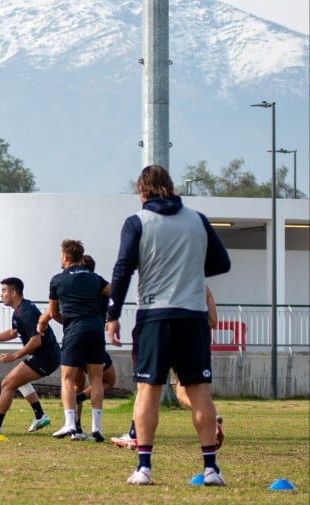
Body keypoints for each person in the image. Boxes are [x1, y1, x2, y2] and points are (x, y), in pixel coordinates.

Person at [106, 165, 231, 486]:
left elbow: (123, 268)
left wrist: (113, 314)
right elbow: (221, 262)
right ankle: (211, 469)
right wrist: (188, 267)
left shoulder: (138, 222)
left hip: (155, 317)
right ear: (171, 188)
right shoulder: (198, 220)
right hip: (192, 316)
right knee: (199, 391)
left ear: (142, 191)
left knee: (148, 390)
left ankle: (144, 468)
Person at [110, 286, 224, 451]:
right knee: (183, 393)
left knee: (145, 388)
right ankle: (211, 422)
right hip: (191, 337)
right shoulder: (202, 286)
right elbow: (213, 321)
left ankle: (135, 436)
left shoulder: (160, 277)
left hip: (158, 333)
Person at [38, 239, 110, 442]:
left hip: (75, 329)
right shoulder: (94, 277)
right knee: (96, 378)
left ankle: (70, 423)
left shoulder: (57, 279)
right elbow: (113, 291)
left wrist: (67, 322)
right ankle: (96, 427)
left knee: (67, 378)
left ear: (66, 256)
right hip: (96, 329)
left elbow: (53, 312)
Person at [0, 277, 58, 436]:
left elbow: (36, 340)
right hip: (44, 355)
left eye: (4, 291)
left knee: (8, 383)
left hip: (46, 356)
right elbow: (13, 332)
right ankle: (39, 415)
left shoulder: (26, 312)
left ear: (14, 293)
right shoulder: (19, 311)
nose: (1, 295)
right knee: (18, 381)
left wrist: (14, 356)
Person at [70, 255, 117, 441]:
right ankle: (83, 401)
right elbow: (115, 294)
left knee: (75, 383)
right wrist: (111, 318)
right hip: (94, 336)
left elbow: (54, 310)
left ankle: (75, 428)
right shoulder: (99, 286)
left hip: (73, 337)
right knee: (106, 380)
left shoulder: (72, 286)